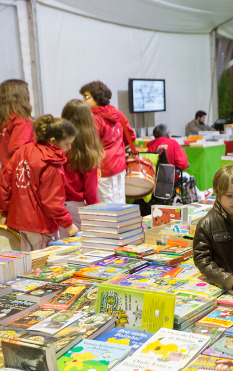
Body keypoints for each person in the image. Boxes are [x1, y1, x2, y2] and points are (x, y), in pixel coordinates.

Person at [0, 115, 78, 250]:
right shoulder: (51, 162)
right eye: (67, 143)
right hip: (40, 225)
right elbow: (52, 201)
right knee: (43, 265)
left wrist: (5, 213)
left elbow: (4, 184)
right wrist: (68, 224)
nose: (70, 147)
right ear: (53, 141)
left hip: (17, 220)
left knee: (27, 265)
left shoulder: (23, 150)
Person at [193, 164, 233, 291]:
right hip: (228, 285)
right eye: (229, 196)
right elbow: (202, 260)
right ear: (217, 192)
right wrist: (226, 279)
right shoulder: (207, 224)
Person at [80, 80, 136, 204]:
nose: (83, 100)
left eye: (86, 97)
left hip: (103, 168)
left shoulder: (94, 119)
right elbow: (130, 136)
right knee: (120, 201)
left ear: (97, 98)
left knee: (107, 206)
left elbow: (91, 146)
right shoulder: (117, 113)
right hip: (120, 165)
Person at [60, 99, 105, 234]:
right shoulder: (86, 149)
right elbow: (91, 191)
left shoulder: (59, 144)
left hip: (57, 206)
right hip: (75, 206)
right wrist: (94, 213)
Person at [0, 79, 35, 170]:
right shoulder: (22, 121)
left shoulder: (5, 120)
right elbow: (18, 149)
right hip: (19, 174)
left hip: (6, 172)